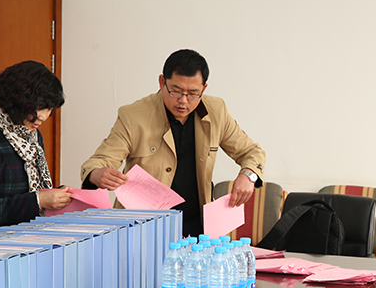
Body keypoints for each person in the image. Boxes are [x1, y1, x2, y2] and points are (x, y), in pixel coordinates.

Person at [80, 49, 266, 237]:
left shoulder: (216, 111)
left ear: (204, 89)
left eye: (193, 93)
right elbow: (98, 162)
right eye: (175, 91)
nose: (183, 101)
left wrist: (248, 175)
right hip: (142, 229)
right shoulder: (133, 116)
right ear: (162, 82)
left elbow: (252, 152)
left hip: (198, 228)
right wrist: (97, 174)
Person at [0, 61, 72, 235]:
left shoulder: (31, 134)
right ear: (18, 100)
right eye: (39, 108)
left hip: (30, 238)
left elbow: (28, 190)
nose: (43, 117)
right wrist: (38, 201)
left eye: (49, 109)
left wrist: (57, 195)